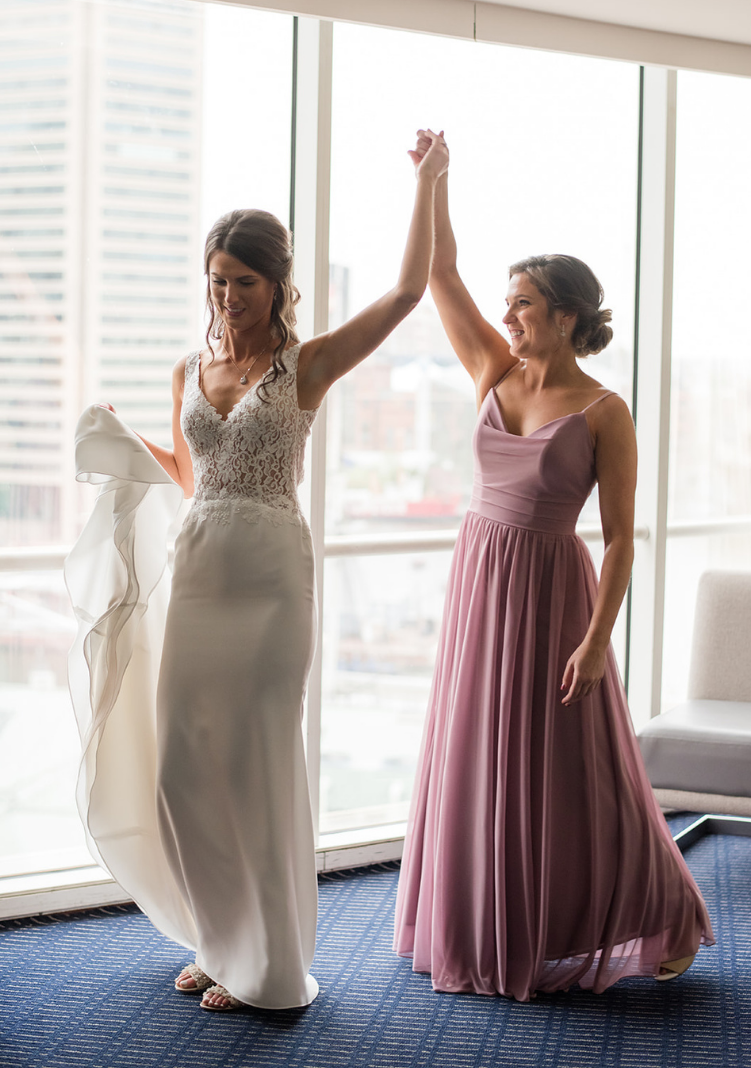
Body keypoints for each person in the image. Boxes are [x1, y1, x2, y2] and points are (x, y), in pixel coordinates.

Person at [66, 133, 448, 1012]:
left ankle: (265, 961)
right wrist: (127, 445)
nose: (227, 296)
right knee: (183, 769)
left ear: (277, 285)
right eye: (216, 280)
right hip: (201, 567)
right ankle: (218, 935)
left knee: (253, 764)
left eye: (244, 280)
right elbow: (194, 477)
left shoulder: (304, 365)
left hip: (272, 578)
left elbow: (405, 293)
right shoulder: (188, 371)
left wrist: (430, 183)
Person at [394, 131, 713, 1000]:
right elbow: (440, 275)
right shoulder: (492, 370)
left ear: (567, 316)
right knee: (483, 756)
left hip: (555, 597)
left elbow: (620, 538)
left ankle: (665, 909)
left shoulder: (606, 413)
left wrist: (596, 638)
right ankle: (505, 918)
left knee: (580, 769)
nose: (509, 317)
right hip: (481, 583)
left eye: (526, 303)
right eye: (509, 303)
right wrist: (435, 182)